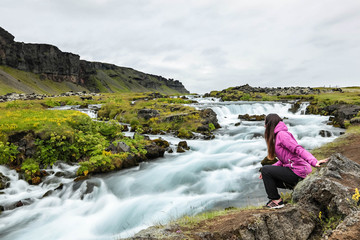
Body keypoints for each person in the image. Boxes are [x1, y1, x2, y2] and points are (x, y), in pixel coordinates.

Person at [259, 113, 328, 209]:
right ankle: (295, 189)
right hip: (295, 170)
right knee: (267, 172)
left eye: (265, 123)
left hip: (299, 171)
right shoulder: (278, 136)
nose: (264, 126)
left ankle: (276, 201)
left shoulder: (282, 135)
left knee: (265, 169)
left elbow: (298, 149)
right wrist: (270, 170)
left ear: (269, 124)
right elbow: (283, 161)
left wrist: (314, 161)